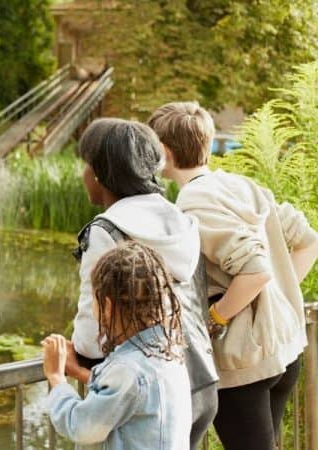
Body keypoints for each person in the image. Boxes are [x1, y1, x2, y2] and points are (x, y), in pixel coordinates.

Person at [148, 101, 318, 450]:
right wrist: (279, 300)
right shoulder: (242, 185)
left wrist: (215, 318)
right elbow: (308, 242)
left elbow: (255, 272)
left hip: (243, 362)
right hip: (283, 351)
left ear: (164, 151)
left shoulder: (193, 203)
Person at [70, 118, 217, 448]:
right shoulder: (180, 221)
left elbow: (91, 335)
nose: (83, 175)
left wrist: (71, 361)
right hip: (197, 381)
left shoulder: (106, 231)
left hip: (140, 392)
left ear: (102, 174)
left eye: (87, 166)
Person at [43, 241, 191, 449]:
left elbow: (82, 426)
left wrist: (57, 378)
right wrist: (79, 372)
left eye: (93, 300)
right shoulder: (168, 351)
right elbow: (131, 399)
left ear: (108, 306)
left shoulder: (128, 370)